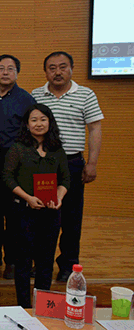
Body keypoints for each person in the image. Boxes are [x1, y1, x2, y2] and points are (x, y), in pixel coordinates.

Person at [32, 51, 103, 283]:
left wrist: (92, 163)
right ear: (46, 72)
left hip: (72, 163)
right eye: (52, 68)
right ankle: (41, 263)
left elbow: (95, 129)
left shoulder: (85, 94)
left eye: (63, 67)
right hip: (42, 165)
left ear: (71, 69)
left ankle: (68, 265)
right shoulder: (36, 95)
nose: (57, 72)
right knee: (41, 217)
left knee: (71, 219)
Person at [2, 104, 70, 308]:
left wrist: (59, 197)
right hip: (23, 212)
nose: (38, 124)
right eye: (34, 120)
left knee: (46, 262)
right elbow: (7, 177)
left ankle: (43, 307)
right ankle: (24, 307)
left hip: (51, 213)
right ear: (26, 124)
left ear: (50, 122)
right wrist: (28, 198)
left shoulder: (57, 149)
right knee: (23, 262)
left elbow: (65, 179)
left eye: (43, 119)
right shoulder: (18, 148)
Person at [0, 55, 36, 279]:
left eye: (10, 68)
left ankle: (13, 262)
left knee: (15, 215)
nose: (5, 72)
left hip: (16, 161)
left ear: (17, 72)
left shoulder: (26, 99)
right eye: (1, 68)